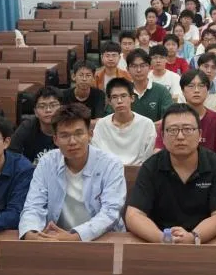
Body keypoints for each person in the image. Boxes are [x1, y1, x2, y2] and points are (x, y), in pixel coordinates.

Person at [125, 103, 216, 244]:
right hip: (159, 243)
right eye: (173, 130)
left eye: (187, 129)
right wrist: (162, 238)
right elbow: (133, 215)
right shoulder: (151, 166)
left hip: (204, 243)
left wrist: (193, 237)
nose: (180, 136)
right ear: (162, 136)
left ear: (200, 134)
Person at [19, 104, 127, 241]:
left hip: (102, 239)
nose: (72, 141)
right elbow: (33, 205)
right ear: (55, 139)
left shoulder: (110, 165)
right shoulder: (47, 162)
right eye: (64, 135)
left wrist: (76, 236)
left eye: (78, 133)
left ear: (90, 134)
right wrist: (31, 232)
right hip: (56, 239)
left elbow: (110, 212)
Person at [155, 71, 216, 162]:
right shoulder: (170, 120)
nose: (196, 90)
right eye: (191, 86)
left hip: (210, 169)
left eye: (201, 86)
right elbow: (158, 152)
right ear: (183, 91)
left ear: (207, 91)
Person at [91, 78, 156, 165]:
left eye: (123, 96)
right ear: (109, 101)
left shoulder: (146, 124)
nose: (119, 101)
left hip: (138, 170)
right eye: (114, 97)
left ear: (132, 98)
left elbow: (148, 158)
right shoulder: (101, 124)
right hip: (107, 170)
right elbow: (97, 153)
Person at [10, 86, 62, 165]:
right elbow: (11, 154)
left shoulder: (69, 126)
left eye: (53, 105)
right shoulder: (26, 127)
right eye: (42, 106)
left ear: (61, 108)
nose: (48, 110)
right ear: (35, 112)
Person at [124, 49, 173, 123]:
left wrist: (148, 127)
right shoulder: (123, 91)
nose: (139, 70)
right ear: (127, 69)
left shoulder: (161, 91)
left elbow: (169, 118)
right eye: (134, 66)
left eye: (143, 66)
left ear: (150, 67)